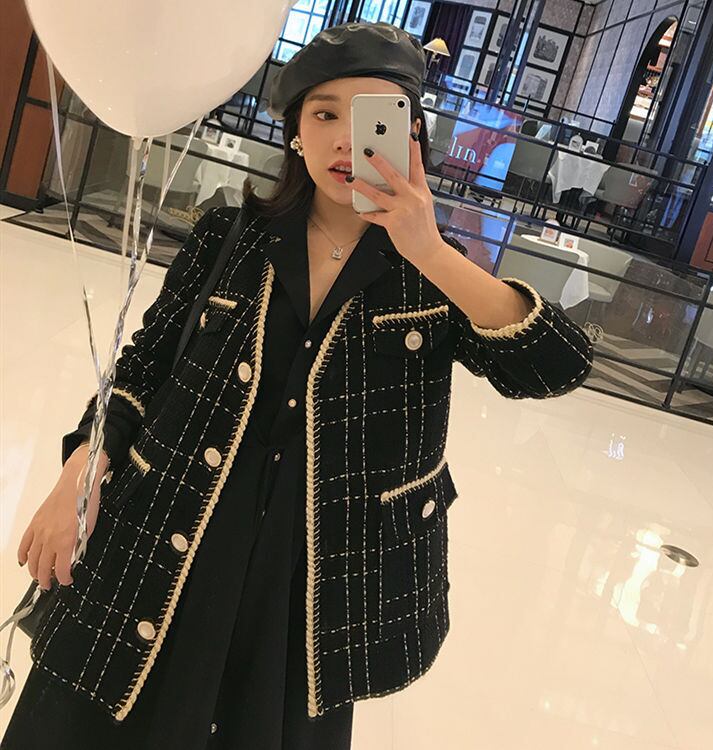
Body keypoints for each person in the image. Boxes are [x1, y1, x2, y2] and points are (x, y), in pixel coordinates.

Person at [2, 21, 593, 750]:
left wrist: (429, 250)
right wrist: (78, 476)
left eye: (372, 117)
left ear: (411, 133)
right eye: (324, 114)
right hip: (167, 535)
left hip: (313, 586)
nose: (345, 139)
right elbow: (143, 370)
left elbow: (557, 366)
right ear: (294, 134)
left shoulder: (433, 274)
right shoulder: (228, 237)